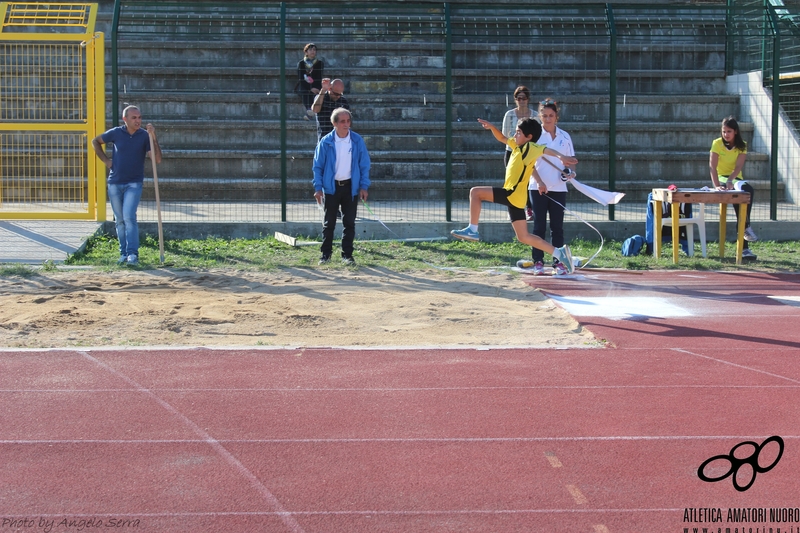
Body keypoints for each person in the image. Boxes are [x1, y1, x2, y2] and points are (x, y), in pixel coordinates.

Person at [450, 117, 578, 273]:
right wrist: (492, 127)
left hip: (512, 193)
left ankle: (473, 229)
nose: (515, 135)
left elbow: (546, 150)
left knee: (475, 192)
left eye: (518, 132)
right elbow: (502, 138)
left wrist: (562, 157)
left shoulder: (531, 147)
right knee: (523, 237)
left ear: (529, 137)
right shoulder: (516, 146)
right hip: (516, 199)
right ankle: (560, 253)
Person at [92, 105, 162, 266]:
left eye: (139, 117)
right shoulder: (116, 132)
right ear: (125, 119)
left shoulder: (145, 136)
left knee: (129, 217)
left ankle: (132, 254)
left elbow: (156, 160)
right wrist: (106, 161)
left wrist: (154, 137)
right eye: (134, 118)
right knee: (120, 220)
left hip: (134, 182)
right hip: (115, 182)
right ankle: (123, 253)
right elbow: (95, 141)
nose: (138, 121)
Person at [521, 98, 575, 275]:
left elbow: (570, 161)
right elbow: (528, 164)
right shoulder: (535, 136)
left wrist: (570, 172)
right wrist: (540, 182)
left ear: (556, 116)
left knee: (557, 227)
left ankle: (558, 262)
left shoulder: (565, 137)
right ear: (539, 116)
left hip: (559, 187)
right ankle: (538, 261)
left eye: (551, 115)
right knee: (538, 226)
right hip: (537, 187)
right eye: (544, 116)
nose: (548, 119)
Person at [312, 108, 370, 265]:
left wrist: (363, 186)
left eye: (348, 121)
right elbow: (318, 166)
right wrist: (318, 188)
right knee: (329, 223)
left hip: (350, 188)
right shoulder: (326, 142)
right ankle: (325, 255)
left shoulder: (357, 141)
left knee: (349, 223)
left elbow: (364, 164)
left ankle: (347, 256)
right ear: (334, 123)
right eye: (342, 121)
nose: (346, 124)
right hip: (331, 188)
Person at [709, 115, 758, 260]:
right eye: (723, 131)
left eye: (729, 131)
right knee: (739, 204)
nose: (726, 134)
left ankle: (745, 242)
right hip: (721, 178)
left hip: (735, 179)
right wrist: (717, 185)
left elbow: (738, 166)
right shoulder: (717, 144)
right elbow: (712, 167)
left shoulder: (742, 145)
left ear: (735, 131)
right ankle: (746, 231)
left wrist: (731, 179)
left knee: (747, 193)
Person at [502, 86, 536, 219]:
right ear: (515, 100)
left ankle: (529, 209)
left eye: (524, 98)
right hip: (513, 152)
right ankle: (513, 209)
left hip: (529, 153)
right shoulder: (509, 115)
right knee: (513, 183)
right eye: (519, 98)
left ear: (528, 99)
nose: (522, 101)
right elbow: (505, 135)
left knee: (527, 182)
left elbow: (538, 135)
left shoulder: (534, 115)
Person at [311, 78, 350, 142]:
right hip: (324, 138)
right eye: (336, 94)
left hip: (340, 139)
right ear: (329, 89)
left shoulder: (343, 101)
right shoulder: (321, 97)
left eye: (340, 94)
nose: (338, 97)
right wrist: (323, 90)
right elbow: (315, 110)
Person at [297, 43, 323, 120]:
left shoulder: (320, 63)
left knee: (317, 93)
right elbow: (301, 78)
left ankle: (310, 112)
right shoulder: (301, 63)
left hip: (316, 84)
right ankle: (310, 110)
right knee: (304, 91)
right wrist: (310, 88)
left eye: (314, 50)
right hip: (305, 85)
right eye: (310, 49)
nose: (313, 51)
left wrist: (314, 87)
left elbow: (319, 77)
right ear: (306, 52)